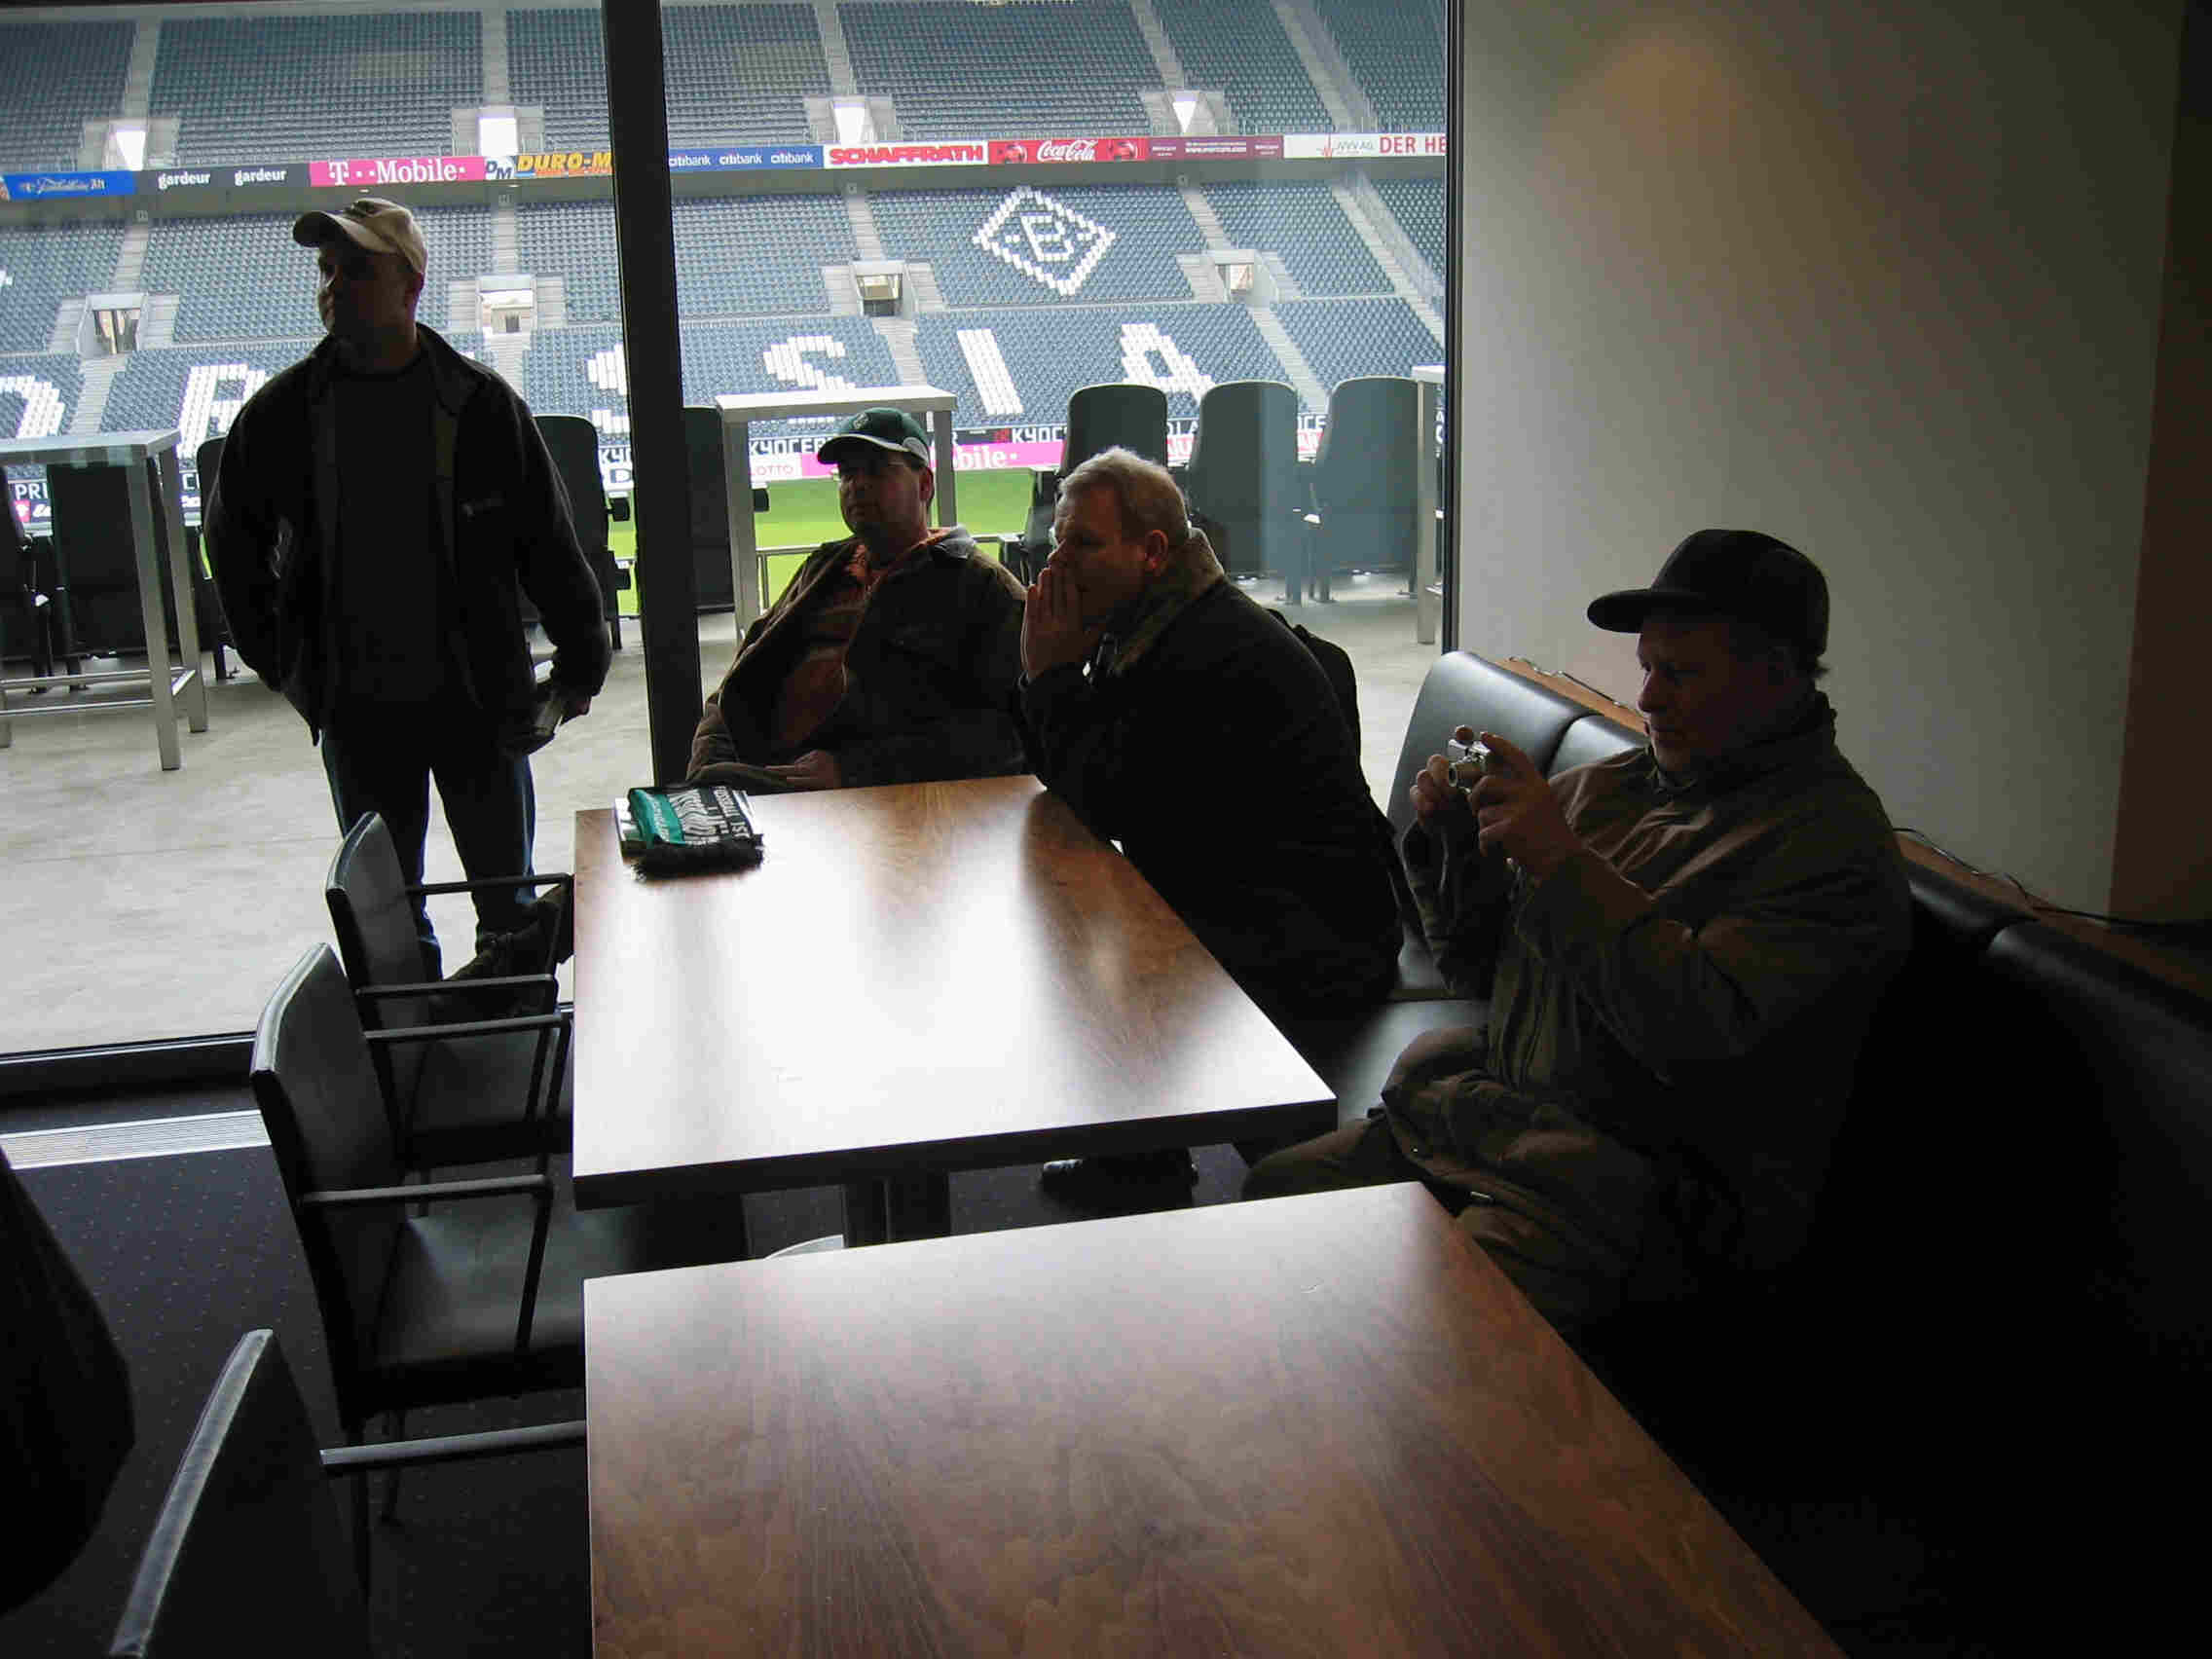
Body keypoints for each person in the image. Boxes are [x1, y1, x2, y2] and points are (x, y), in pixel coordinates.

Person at [1244, 530, 1912, 1335]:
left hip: (1638, 1206)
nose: (1649, 700)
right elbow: (1475, 972)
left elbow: (1700, 1037)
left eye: (1680, 674)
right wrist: (1460, 845)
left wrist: (1559, 862)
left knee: (1420, 1329)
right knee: (1272, 1202)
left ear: (1778, 676)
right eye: (1647, 669)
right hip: (1499, 1132)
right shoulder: (1609, 789)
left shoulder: (1828, 849)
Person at [207, 197, 608, 978]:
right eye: (327, 271)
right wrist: (283, 664)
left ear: (411, 285)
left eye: (357, 270)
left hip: (479, 704)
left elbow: (549, 545)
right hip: (357, 711)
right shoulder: (282, 413)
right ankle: (415, 1049)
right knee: (389, 920)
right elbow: (231, 545)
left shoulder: (481, 405)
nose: (333, 287)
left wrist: (580, 666)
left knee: (509, 907)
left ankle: (510, 1033)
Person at [1021, 447, 1404, 1187]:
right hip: (1257, 901)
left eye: (1085, 544)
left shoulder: (1207, 649)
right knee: (1092, 924)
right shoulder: (1151, 625)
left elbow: (1102, 802)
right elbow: (1074, 776)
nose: (1058, 562)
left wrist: (1051, 676)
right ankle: (1144, 1149)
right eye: (1059, 541)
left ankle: (1143, 1164)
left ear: (1151, 551)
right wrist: (1049, 676)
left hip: (1321, 938)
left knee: (1108, 947)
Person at [685, 407, 1025, 793]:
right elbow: (738, 681)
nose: (857, 485)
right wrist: (710, 765)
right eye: (847, 473)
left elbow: (1006, 735)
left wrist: (856, 770)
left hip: (872, 802)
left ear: (925, 485)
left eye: (877, 470)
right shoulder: (822, 568)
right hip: (757, 780)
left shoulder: (984, 588)